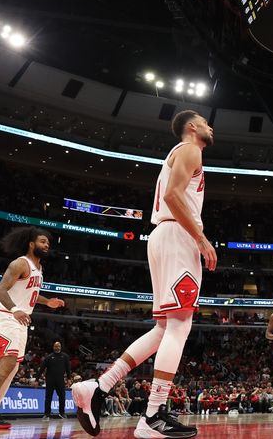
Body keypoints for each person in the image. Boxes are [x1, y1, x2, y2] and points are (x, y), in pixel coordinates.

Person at [72, 110, 217, 439]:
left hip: (166, 236)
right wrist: (201, 238)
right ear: (192, 128)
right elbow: (172, 196)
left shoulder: (179, 154)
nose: (211, 127)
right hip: (178, 236)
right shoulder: (190, 148)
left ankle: (99, 386)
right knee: (180, 325)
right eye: (206, 123)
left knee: (164, 326)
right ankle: (153, 414)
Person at [0, 227, 64, 432]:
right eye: (42, 241)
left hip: (20, 322)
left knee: (12, 369)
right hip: (7, 317)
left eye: (48, 243)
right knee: (7, 365)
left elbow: (31, 294)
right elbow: (0, 291)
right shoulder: (20, 263)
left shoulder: (39, 269)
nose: (46, 245)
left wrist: (48, 302)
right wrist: (15, 309)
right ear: (31, 244)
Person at [40, 341, 71, 419]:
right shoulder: (49, 357)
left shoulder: (65, 356)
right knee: (48, 397)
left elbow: (68, 369)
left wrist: (69, 378)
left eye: (59, 346)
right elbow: (42, 368)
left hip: (60, 380)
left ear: (60, 347)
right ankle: (47, 414)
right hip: (50, 380)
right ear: (53, 347)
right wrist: (37, 378)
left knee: (62, 397)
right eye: (56, 346)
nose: (57, 348)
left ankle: (62, 413)